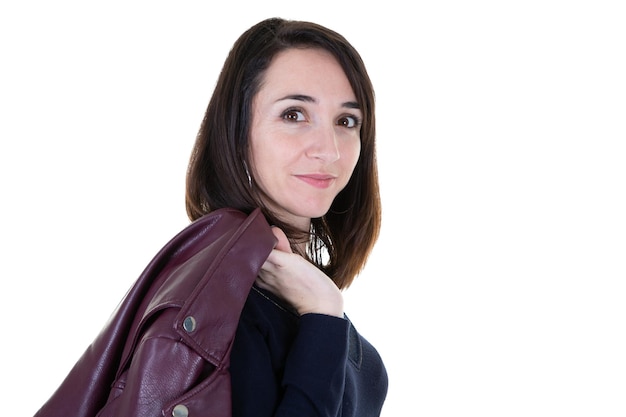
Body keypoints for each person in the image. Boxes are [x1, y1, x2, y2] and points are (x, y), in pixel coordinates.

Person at [38, 17, 388, 417]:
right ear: (238, 131)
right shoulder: (224, 307)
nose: (329, 150)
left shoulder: (293, 293)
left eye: (346, 121)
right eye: (294, 114)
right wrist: (324, 314)